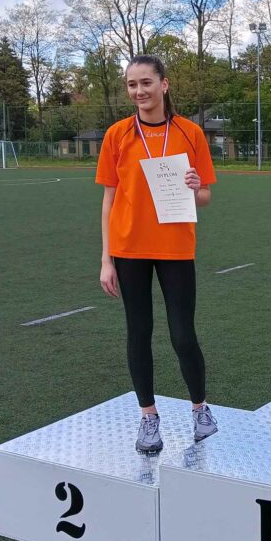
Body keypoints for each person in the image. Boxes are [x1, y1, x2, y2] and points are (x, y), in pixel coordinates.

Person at [96, 54, 219, 453]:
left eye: (146, 82)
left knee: (183, 333)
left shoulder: (190, 133)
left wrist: (195, 187)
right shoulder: (117, 135)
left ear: (164, 84)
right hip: (129, 248)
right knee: (139, 332)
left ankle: (200, 409)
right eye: (132, 85)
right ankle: (148, 416)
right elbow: (109, 199)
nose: (139, 91)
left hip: (175, 247)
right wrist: (106, 258)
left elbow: (205, 196)